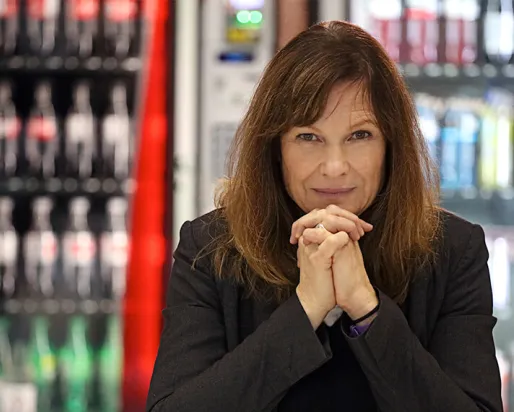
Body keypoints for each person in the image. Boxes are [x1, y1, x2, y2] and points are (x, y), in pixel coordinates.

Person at [146, 20, 502, 412]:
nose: (335, 167)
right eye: (308, 137)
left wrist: (366, 308)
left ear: (390, 145)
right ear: (275, 149)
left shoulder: (453, 250)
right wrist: (305, 309)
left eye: (360, 135)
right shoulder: (210, 248)